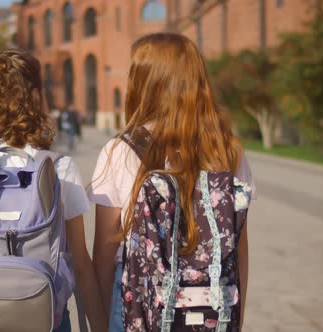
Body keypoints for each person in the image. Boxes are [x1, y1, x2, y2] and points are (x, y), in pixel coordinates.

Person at [87, 33, 257, 331]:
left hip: (137, 302)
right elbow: (237, 246)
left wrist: (100, 321)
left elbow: (104, 249)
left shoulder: (121, 150)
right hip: (211, 306)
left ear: (144, 83)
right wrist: (236, 318)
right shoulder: (227, 149)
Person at [0, 49, 107, 332]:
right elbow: (80, 263)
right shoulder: (59, 168)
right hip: (44, 317)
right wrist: (99, 326)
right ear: (36, 98)